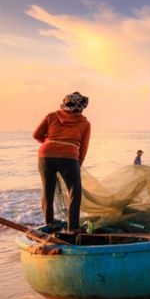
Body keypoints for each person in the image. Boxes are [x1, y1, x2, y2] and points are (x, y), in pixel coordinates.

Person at [33, 92, 91, 232]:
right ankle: (73, 228)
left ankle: (49, 223)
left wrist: (50, 143)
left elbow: (36, 135)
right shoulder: (84, 123)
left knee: (48, 190)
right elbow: (83, 147)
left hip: (45, 155)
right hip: (69, 157)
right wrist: (79, 162)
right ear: (81, 107)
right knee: (74, 191)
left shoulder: (51, 116)